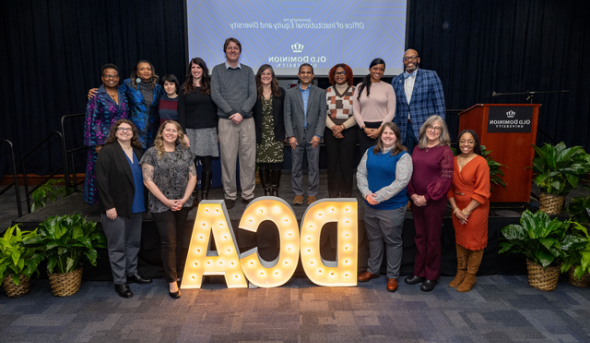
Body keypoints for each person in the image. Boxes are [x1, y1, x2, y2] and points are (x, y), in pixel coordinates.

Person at [95, 119, 152, 298]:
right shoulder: (107, 151)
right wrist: (108, 206)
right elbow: (101, 181)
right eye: (121, 129)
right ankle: (120, 281)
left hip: (137, 205)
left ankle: (131, 272)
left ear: (133, 133)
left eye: (129, 129)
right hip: (116, 208)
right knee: (117, 246)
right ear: (115, 131)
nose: (125, 131)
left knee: (133, 243)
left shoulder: (137, 151)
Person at [140, 120, 197, 299]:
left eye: (174, 130)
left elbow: (193, 177)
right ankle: (172, 281)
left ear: (178, 134)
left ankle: (179, 272)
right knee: (169, 241)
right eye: (168, 130)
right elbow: (147, 180)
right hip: (160, 204)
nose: (171, 133)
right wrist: (166, 201)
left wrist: (185, 199)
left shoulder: (185, 153)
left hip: (183, 202)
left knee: (179, 239)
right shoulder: (151, 153)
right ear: (161, 132)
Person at [356, 122, 412, 292]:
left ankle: (392, 275)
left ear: (397, 136)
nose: (387, 136)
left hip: (392, 207)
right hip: (370, 205)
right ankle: (373, 270)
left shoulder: (403, 156)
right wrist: (367, 194)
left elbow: (401, 182)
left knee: (392, 241)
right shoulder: (370, 152)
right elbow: (360, 173)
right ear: (381, 135)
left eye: (391, 133)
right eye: (385, 133)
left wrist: (378, 197)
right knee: (374, 239)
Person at [405, 115, 453, 292]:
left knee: (432, 239)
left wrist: (426, 196)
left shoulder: (445, 151)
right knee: (420, 237)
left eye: (437, 128)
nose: (433, 130)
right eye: (430, 127)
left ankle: (431, 275)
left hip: (433, 202)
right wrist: (413, 194)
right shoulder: (418, 148)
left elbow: (445, 180)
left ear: (442, 132)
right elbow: (409, 173)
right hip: (416, 200)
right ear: (425, 129)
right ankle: (419, 272)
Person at [210, 37, 257, 209]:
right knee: (228, 160)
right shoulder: (217, 70)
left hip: (247, 121)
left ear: (240, 51)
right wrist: (232, 113)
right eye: (229, 48)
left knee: (248, 159)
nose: (233, 50)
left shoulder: (248, 71)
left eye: (236, 47)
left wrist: (242, 113)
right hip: (226, 121)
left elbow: (253, 95)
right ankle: (230, 194)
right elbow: (215, 94)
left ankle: (248, 194)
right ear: (225, 51)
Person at [447, 130, 490, 292]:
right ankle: (460, 273)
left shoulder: (481, 162)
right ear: (458, 143)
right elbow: (448, 188)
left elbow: (483, 192)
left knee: (475, 244)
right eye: (463, 141)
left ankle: (470, 277)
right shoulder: (452, 160)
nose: (466, 144)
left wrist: (466, 211)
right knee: (460, 241)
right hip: (457, 209)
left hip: (475, 210)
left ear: (475, 144)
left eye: (470, 141)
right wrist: (456, 209)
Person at [89, 60, 164, 149]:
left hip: (153, 130)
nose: (146, 71)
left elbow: (166, 100)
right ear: (137, 72)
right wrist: (99, 92)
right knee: (136, 157)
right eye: (142, 69)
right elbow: (113, 91)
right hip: (134, 129)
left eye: (148, 69)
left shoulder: (158, 88)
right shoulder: (129, 84)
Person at [83, 64, 129, 205]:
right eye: (108, 75)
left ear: (118, 78)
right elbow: (91, 120)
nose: (111, 78)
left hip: (121, 139)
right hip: (103, 141)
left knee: (118, 172)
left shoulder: (122, 93)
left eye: (114, 76)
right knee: (103, 174)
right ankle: (103, 203)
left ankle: (117, 201)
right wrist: (97, 143)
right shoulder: (96, 95)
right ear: (102, 78)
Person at [284, 63, 328, 205]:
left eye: (308, 72)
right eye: (303, 72)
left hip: (313, 137)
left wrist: (318, 135)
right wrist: (290, 135)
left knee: (314, 167)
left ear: (313, 75)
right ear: (298, 75)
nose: (305, 74)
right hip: (295, 137)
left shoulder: (320, 93)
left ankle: (312, 193)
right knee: (296, 167)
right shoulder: (290, 93)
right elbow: (287, 115)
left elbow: (322, 115)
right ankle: (298, 193)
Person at [178, 58, 218, 201]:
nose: (196, 70)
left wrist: (218, 130)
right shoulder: (184, 88)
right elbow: (180, 112)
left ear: (203, 70)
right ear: (190, 70)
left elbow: (216, 109)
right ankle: (194, 195)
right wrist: (183, 133)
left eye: (199, 67)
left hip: (208, 130)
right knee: (191, 165)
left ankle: (205, 195)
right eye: (193, 67)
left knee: (207, 163)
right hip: (190, 131)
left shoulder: (211, 86)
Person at [391, 49, 446, 154]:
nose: (409, 60)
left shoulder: (431, 76)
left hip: (426, 127)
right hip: (403, 128)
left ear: (418, 60)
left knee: (426, 159)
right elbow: (395, 107)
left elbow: (440, 104)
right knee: (406, 159)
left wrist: (439, 128)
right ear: (403, 62)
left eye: (412, 57)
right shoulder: (396, 80)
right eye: (406, 58)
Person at [325, 63, 358, 198]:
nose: (339, 75)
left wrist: (342, 127)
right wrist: (334, 128)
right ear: (333, 75)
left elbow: (358, 114)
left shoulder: (355, 91)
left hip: (349, 130)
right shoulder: (326, 91)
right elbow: (323, 113)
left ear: (348, 75)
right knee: (332, 164)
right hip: (330, 130)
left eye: (342, 73)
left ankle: (346, 195)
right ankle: (333, 194)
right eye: (336, 73)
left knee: (346, 164)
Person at [253, 64, 285, 196]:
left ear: (272, 76)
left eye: (268, 73)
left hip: (276, 132)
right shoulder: (254, 92)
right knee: (263, 163)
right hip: (260, 133)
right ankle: (266, 190)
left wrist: (286, 132)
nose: (266, 76)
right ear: (259, 76)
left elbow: (285, 113)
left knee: (277, 163)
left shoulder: (281, 92)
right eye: (263, 73)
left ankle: (275, 190)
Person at [353, 58, 396, 156]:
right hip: (364, 128)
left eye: (381, 69)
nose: (378, 71)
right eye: (375, 68)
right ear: (370, 69)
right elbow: (356, 111)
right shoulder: (360, 87)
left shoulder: (388, 87)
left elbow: (391, 112)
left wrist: (380, 129)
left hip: (383, 128)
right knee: (365, 157)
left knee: (382, 156)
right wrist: (364, 128)